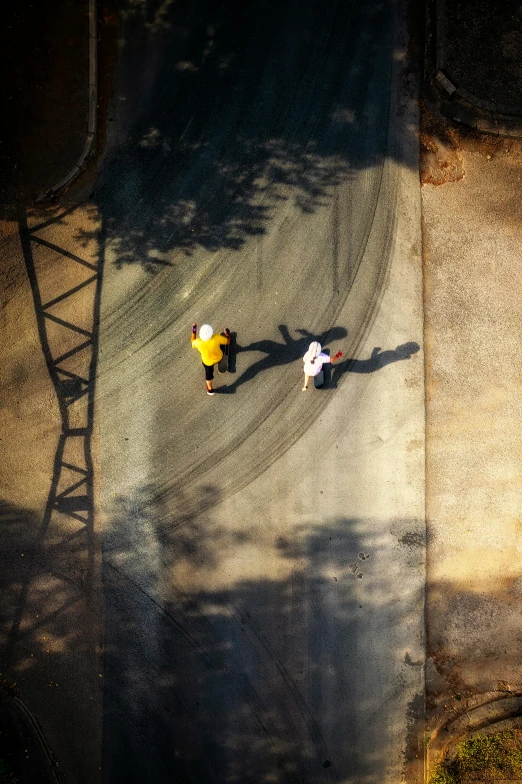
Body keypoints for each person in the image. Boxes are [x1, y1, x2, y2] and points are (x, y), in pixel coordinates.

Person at [191, 323, 230, 395]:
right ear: (211, 333)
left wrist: (194, 330)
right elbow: (228, 341)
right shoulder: (216, 337)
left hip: (207, 362)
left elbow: (192, 341)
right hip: (218, 357)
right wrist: (227, 334)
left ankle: (210, 389)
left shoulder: (198, 342)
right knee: (222, 345)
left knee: (208, 375)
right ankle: (221, 357)